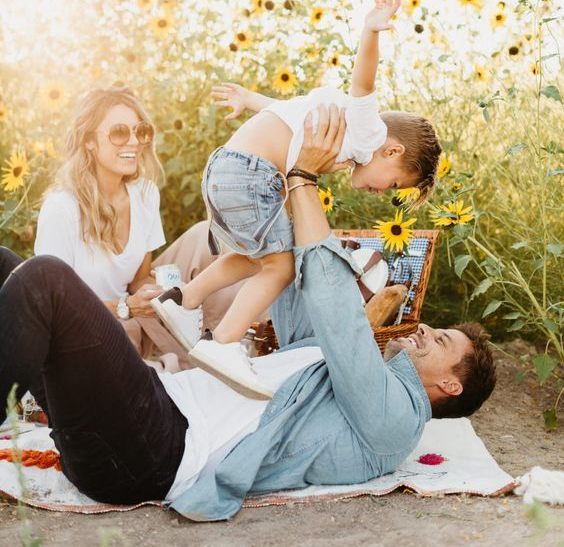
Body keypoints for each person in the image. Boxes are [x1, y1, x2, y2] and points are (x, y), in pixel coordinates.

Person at [0, 105, 496, 520]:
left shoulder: (396, 420)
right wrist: (283, 169)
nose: (428, 329)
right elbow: (298, 277)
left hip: (156, 450)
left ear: (449, 386)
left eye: (444, 342)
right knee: (8, 266)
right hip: (142, 407)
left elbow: (342, 318)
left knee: (46, 280)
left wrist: (303, 178)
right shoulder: (330, 362)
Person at [152, 0, 442, 397]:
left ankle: (183, 298)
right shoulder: (368, 128)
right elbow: (364, 82)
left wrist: (250, 98)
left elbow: (286, 111)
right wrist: (371, 31)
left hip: (227, 169)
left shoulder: (336, 115)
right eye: (393, 182)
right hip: (253, 176)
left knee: (256, 257)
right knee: (282, 266)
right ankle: (225, 344)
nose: (382, 191)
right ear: (391, 149)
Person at [29, 86, 241, 372]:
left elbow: (138, 277)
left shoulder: (144, 193)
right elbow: (54, 309)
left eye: (140, 132)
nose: (133, 142)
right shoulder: (62, 208)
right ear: (89, 141)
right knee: (122, 340)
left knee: (208, 236)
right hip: (84, 330)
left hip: (132, 315)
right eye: (119, 132)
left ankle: (225, 344)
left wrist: (158, 292)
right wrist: (125, 306)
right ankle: (177, 361)